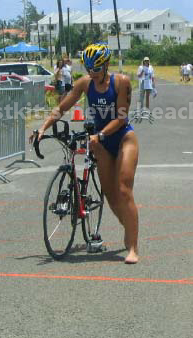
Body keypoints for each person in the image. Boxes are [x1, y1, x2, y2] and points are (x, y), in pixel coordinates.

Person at [31, 44, 140, 264]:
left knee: (123, 189)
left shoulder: (121, 82)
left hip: (123, 139)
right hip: (101, 143)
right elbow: (61, 107)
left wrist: (99, 135)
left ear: (106, 66)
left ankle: (133, 246)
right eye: (89, 69)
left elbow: (121, 118)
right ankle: (128, 225)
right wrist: (43, 128)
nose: (92, 73)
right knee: (110, 197)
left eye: (97, 69)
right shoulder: (85, 83)